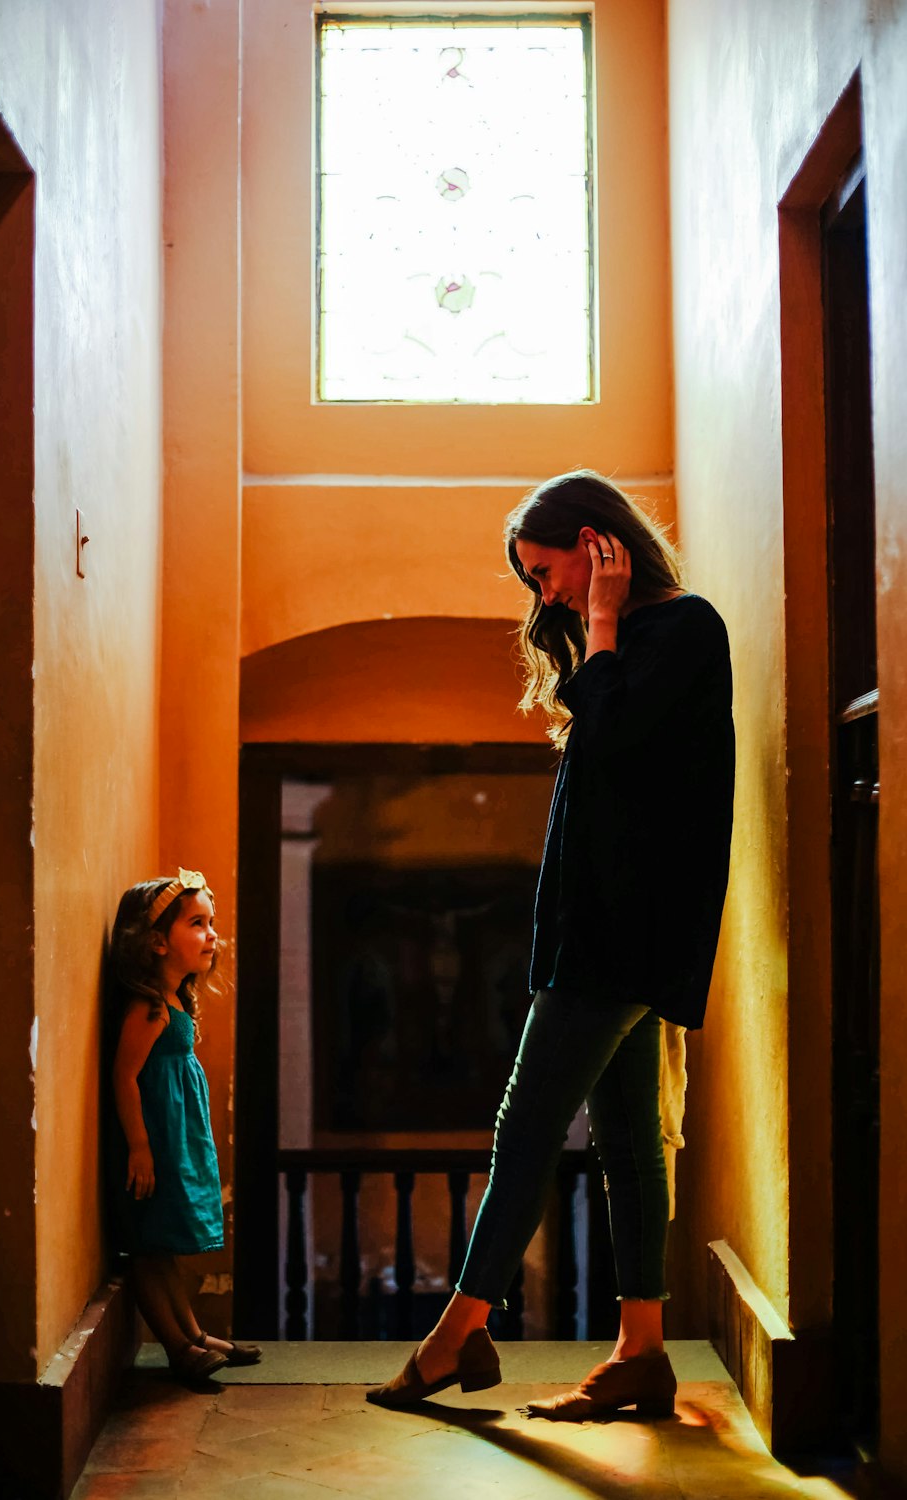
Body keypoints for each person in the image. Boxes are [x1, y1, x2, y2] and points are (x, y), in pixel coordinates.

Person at [366, 469, 734, 1420]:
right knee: (625, 1143)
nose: (547, 595)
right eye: (534, 583)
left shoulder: (684, 630)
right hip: (603, 930)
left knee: (525, 1125)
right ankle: (641, 1352)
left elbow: (611, 741)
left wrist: (604, 620)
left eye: (547, 571)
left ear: (597, 542)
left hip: (625, 934)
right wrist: (597, 631)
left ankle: (458, 1331)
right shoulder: (623, 644)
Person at [108, 868, 261, 1386]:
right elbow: (125, 1076)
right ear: (155, 942)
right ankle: (178, 1348)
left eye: (211, 922)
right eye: (197, 923)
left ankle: (195, 1334)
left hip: (176, 1141)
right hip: (156, 1144)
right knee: (149, 1250)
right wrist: (139, 1147)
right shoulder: (148, 1008)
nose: (212, 934)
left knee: (166, 1246)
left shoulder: (175, 1002)